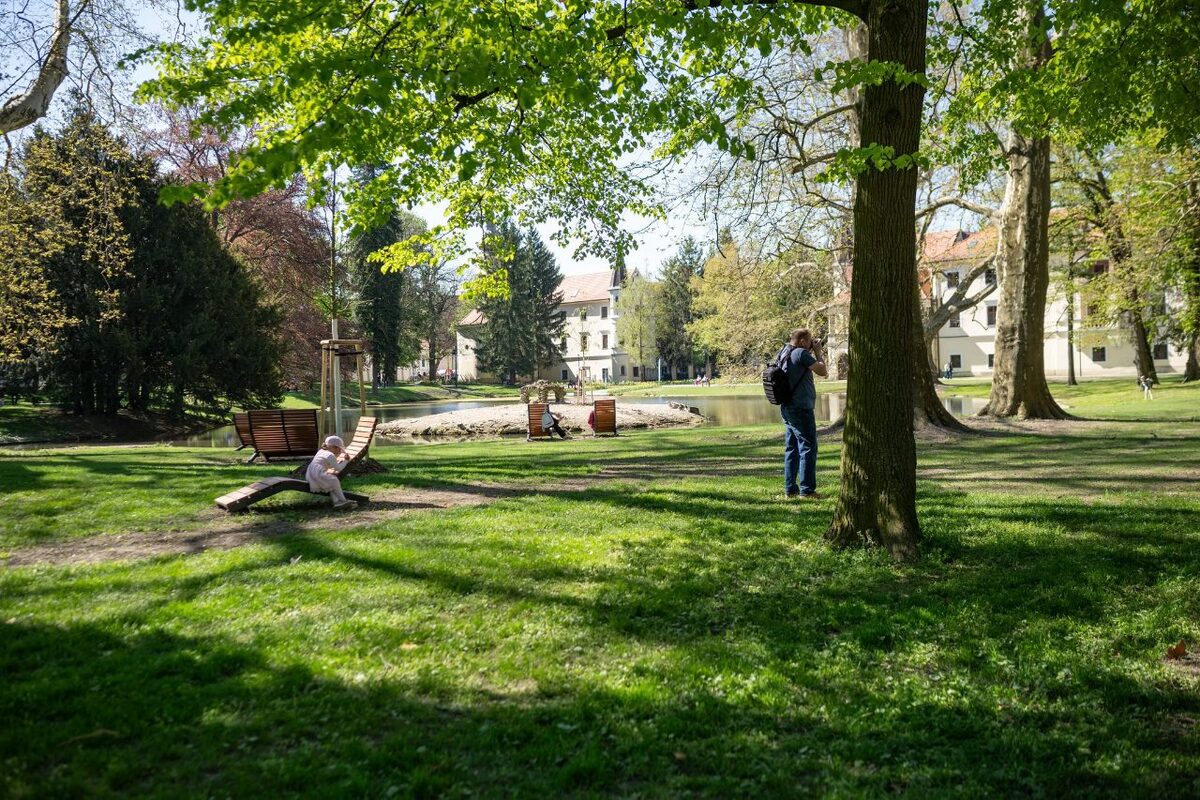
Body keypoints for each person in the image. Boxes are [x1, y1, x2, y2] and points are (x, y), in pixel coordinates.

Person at [778, 328, 827, 499]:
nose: (811, 343)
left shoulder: (783, 351)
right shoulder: (801, 353)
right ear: (802, 341)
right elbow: (823, 371)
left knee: (791, 448)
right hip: (801, 408)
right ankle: (807, 490)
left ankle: (790, 490)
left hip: (787, 406)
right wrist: (818, 352)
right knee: (808, 447)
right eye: (809, 341)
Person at [305, 435, 357, 510]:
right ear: (334, 447)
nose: (339, 452)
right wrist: (345, 461)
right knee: (334, 480)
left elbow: (324, 464)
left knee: (331, 484)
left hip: (310, 474)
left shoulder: (321, 451)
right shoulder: (330, 455)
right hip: (318, 474)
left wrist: (336, 463)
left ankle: (336, 502)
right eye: (339, 449)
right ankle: (343, 500)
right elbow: (338, 468)